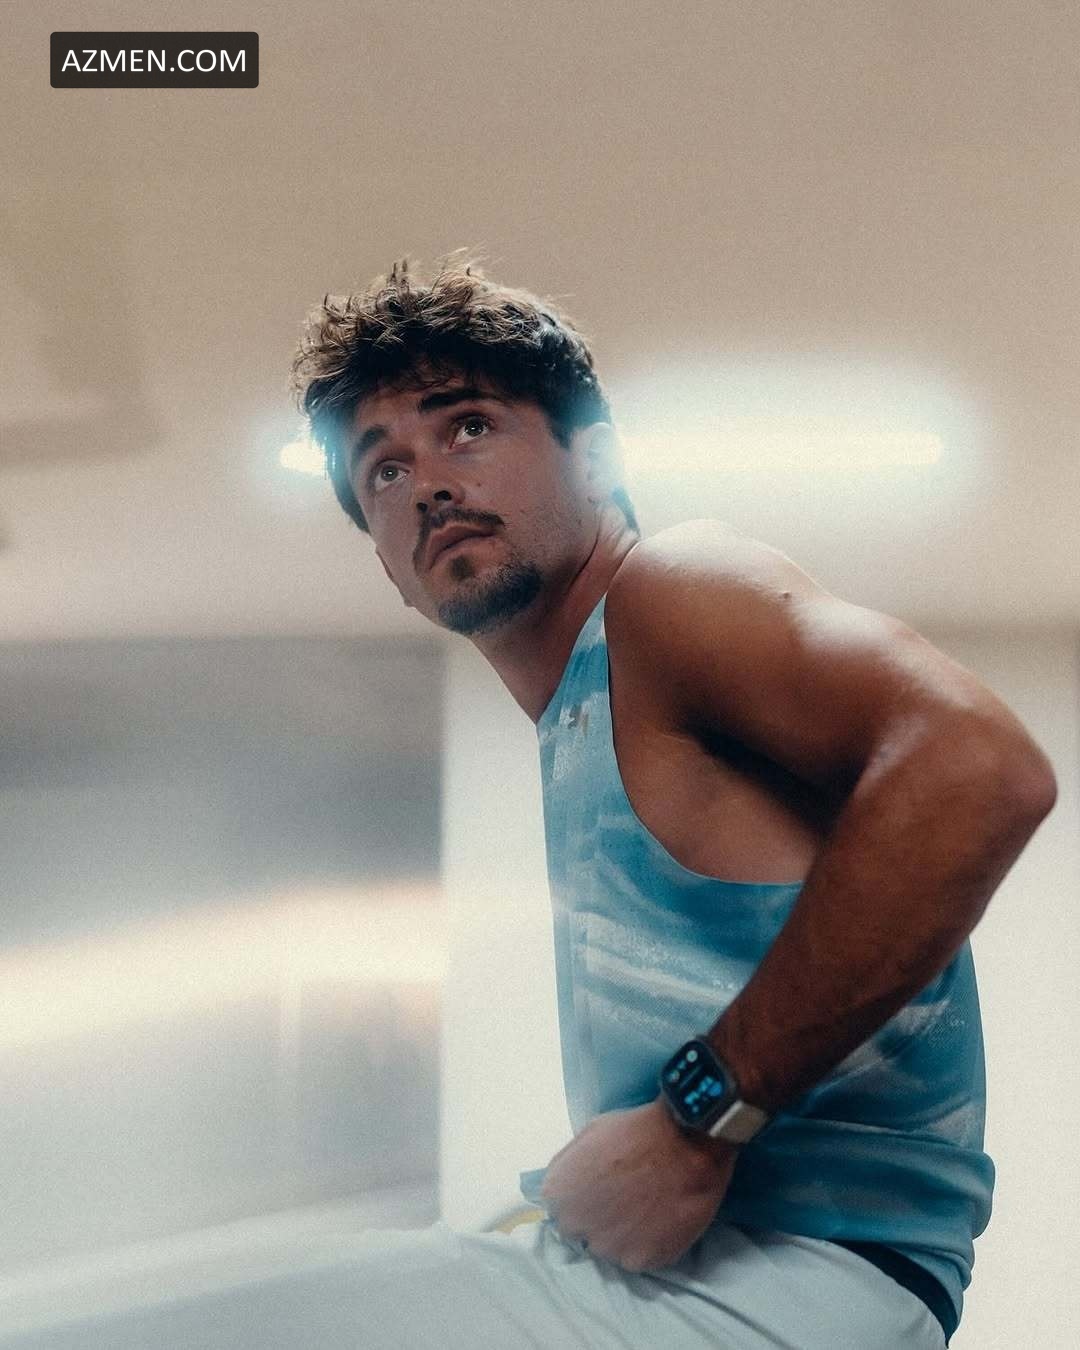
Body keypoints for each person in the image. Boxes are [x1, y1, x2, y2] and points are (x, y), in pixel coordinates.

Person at [289, 254, 1056, 1349]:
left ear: (597, 458)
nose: (430, 485)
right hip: (733, 1289)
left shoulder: (671, 594)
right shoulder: (578, 722)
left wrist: (700, 1116)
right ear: (389, 568)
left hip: (806, 1277)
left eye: (468, 427)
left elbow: (980, 769)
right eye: (384, 471)